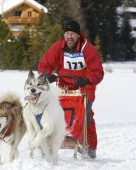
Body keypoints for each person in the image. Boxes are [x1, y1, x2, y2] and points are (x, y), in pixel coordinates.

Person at [37, 19, 104, 159]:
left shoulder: (87, 49)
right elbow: (45, 64)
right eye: (67, 33)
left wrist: (87, 80)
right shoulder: (58, 47)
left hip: (84, 86)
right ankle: (48, 142)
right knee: (53, 111)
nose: (69, 37)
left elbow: (98, 72)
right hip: (64, 86)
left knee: (86, 114)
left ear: (78, 35)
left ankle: (89, 147)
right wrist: (46, 76)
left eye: (72, 34)